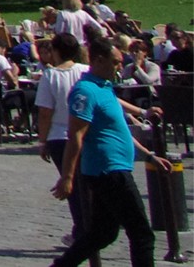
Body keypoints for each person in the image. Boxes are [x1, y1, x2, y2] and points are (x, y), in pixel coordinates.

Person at [50, 36, 159, 267]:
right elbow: (76, 135)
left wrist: (148, 154)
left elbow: (118, 129)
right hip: (107, 170)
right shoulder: (85, 91)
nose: (120, 67)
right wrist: (68, 176)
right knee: (141, 233)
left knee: (103, 233)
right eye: (116, 62)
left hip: (114, 167)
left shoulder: (104, 87)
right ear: (99, 60)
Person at [38, 33, 93, 246]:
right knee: (87, 183)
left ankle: (82, 230)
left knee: (73, 187)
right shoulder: (86, 72)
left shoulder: (51, 76)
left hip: (60, 135)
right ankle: (87, 226)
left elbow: (45, 113)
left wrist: (42, 141)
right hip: (86, 131)